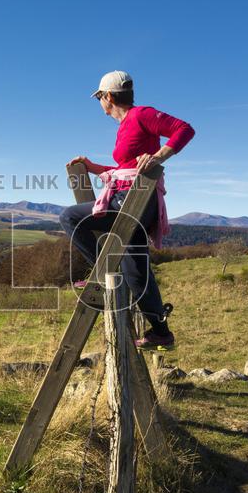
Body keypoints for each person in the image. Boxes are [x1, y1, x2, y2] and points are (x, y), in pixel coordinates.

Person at [60, 70, 195, 349]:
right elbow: (124, 169)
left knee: (70, 217)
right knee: (136, 268)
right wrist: (92, 166)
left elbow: (184, 129)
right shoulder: (126, 126)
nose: (100, 103)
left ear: (108, 97)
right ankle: (161, 330)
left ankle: (103, 271)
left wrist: (158, 157)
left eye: (99, 97)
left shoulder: (141, 114)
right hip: (130, 198)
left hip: (134, 200)